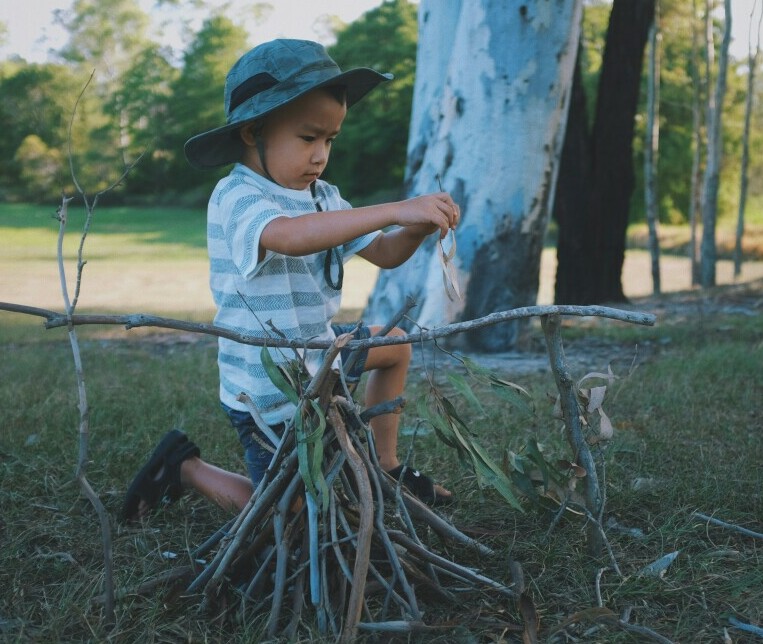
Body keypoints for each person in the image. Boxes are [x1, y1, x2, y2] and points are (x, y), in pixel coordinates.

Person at [121, 39, 459, 522]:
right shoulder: (237, 195)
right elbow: (288, 236)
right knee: (292, 516)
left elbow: (385, 253)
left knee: (396, 344)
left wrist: (415, 228)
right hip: (267, 388)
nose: (321, 155)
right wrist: (392, 207)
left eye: (330, 140)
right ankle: (186, 468)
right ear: (253, 131)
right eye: (308, 138)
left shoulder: (325, 197)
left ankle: (386, 467)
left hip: (320, 356)